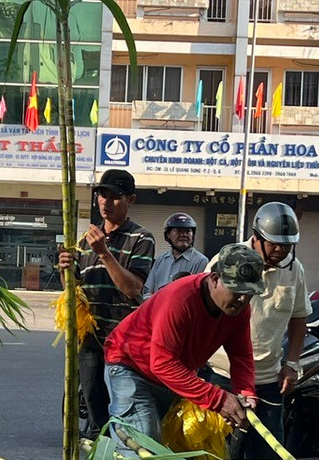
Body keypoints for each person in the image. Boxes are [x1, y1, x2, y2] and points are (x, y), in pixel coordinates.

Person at [103, 244, 261, 443]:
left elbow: (241, 355)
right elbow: (162, 363)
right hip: (131, 365)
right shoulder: (180, 299)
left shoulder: (239, 309)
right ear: (214, 279)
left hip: (171, 375)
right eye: (236, 290)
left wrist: (245, 391)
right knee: (143, 445)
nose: (242, 299)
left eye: (250, 293)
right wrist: (219, 399)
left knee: (175, 444)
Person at [206, 202, 310, 460]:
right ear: (257, 237)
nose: (280, 249)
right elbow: (204, 311)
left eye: (286, 245)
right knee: (221, 454)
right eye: (274, 243)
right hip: (223, 374)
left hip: (268, 378)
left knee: (266, 457)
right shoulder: (226, 260)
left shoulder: (294, 270)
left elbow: (299, 318)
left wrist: (291, 364)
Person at [57, 169, 156, 436]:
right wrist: (64, 270)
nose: (105, 202)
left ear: (130, 200)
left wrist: (104, 254)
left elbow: (132, 288)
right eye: (102, 195)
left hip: (124, 342)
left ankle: (124, 456)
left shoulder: (141, 239)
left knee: (124, 407)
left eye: (114, 197)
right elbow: (74, 290)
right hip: (90, 339)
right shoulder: (84, 241)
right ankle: (96, 456)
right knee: (94, 403)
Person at [142, 213, 208, 296]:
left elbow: (196, 294)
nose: (183, 235)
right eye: (178, 230)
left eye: (188, 231)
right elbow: (148, 290)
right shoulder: (161, 259)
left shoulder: (200, 261)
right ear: (168, 235)